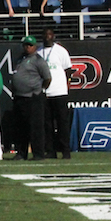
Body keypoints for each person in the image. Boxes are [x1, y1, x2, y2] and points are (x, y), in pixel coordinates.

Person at [10, 36, 51, 160]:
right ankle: (21, 153)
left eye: (30, 45)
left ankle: (38, 154)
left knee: (35, 128)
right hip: (19, 97)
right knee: (21, 127)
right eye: (25, 45)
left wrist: (38, 90)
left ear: (35, 46)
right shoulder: (20, 59)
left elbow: (47, 78)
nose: (27, 47)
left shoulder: (39, 60)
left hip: (33, 98)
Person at [38, 27, 72, 160]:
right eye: (45, 34)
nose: (47, 37)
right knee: (47, 124)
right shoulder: (38, 52)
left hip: (59, 92)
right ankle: (50, 150)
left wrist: (65, 86)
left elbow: (68, 70)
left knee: (62, 123)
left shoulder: (61, 51)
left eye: (50, 34)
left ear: (53, 36)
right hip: (45, 92)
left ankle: (65, 151)